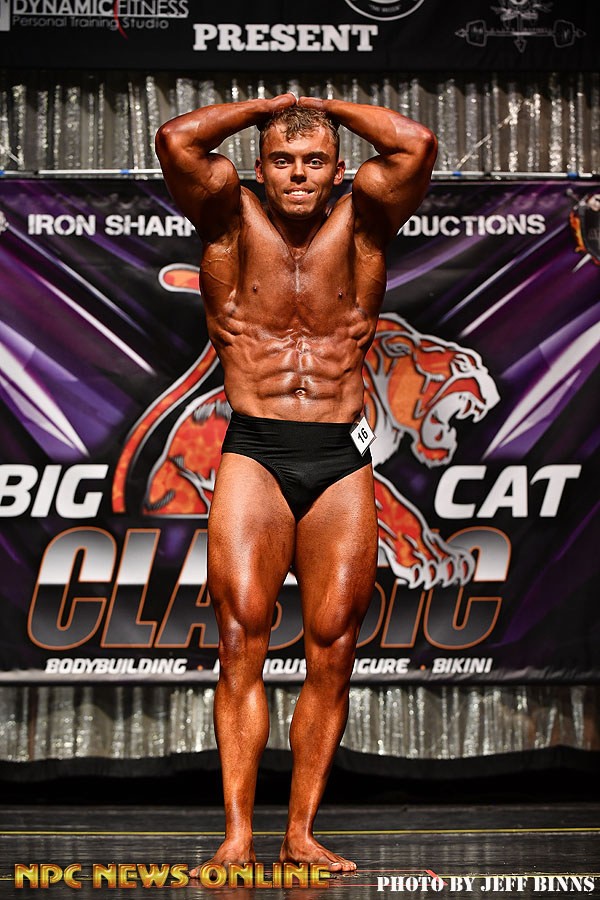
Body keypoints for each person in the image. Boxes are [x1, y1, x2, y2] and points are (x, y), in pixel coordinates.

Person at [155, 92, 436, 874]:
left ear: (339, 169)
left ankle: (300, 834)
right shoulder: (226, 220)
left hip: (340, 458)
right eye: (283, 160)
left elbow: (415, 144)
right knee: (240, 641)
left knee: (333, 648)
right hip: (256, 451)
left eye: (315, 161)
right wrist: (274, 106)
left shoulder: (365, 223)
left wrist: (321, 105)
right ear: (260, 165)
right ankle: (238, 836)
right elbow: (176, 139)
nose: (300, 175)